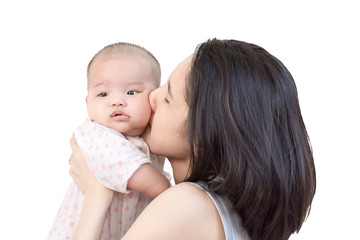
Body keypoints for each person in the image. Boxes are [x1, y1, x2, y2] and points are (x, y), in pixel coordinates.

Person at [69, 39, 316, 240]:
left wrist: (96, 195)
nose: (152, 96)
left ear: (206, 129)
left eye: (167, 97)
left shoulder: (188, 204)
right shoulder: (224, 214)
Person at [48, 42, 171, 240]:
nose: (117, 101)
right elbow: (133, 170)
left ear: (154, 98)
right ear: (88, 104)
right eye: (103, 94)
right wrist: (170, 192)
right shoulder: (96, 134)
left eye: (131, 92)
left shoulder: (152, 139)